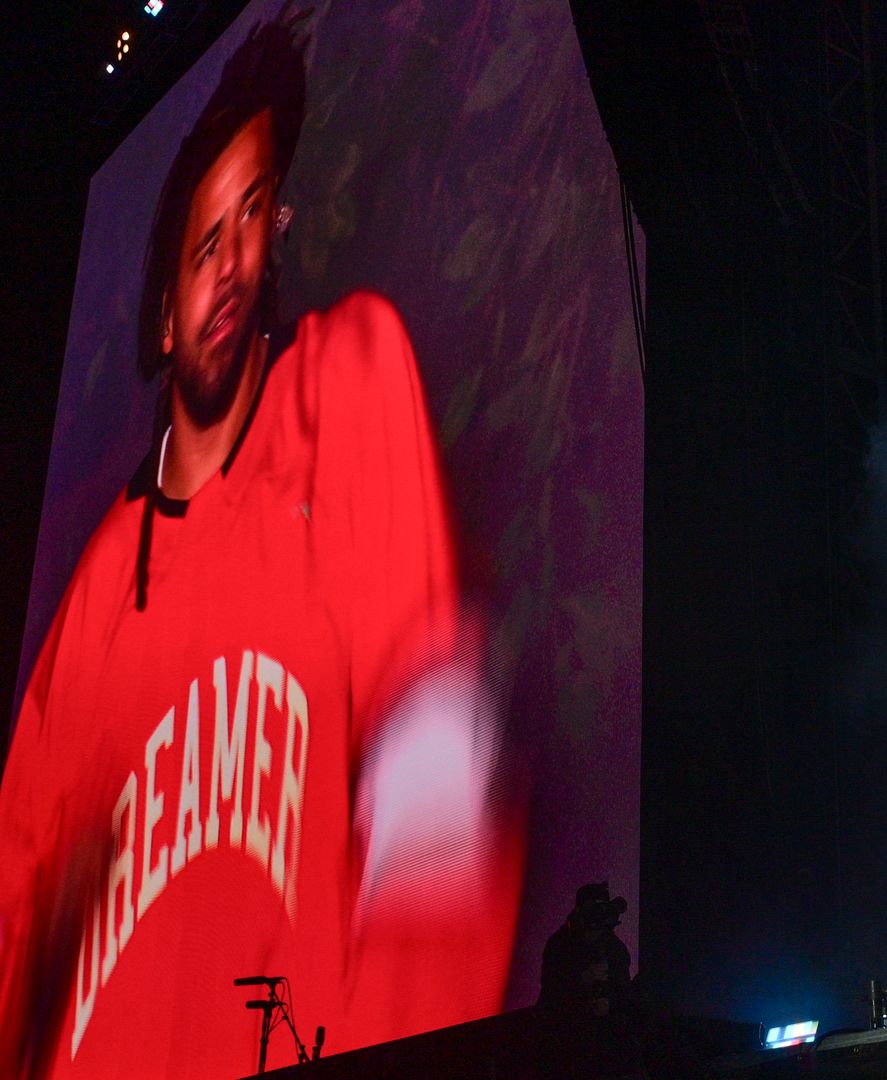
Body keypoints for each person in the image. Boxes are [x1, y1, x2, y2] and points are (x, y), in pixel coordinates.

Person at [0, 15, 521, 1078]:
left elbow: (436, 792)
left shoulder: (339, 394)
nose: (233, 263)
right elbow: (16, 916)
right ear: (160, 321)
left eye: (251, 219)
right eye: (204, 246)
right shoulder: (99, 591)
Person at [539, 883, 633, 1019]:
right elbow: (550, 993)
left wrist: (609, 1003)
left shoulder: (614, 948)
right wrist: (582, 979)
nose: (593, 933)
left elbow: (624, 992)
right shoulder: (559, 944)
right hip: (563, 1028)